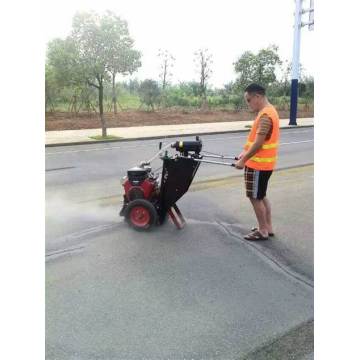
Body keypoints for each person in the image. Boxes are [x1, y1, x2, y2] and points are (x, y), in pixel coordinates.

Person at [235, 83, 280, 241]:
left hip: (257, 165)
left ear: (257, 97)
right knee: (261, 196)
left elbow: (259, 143)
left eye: (249, 100)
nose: (248, 103)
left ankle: (262, 231)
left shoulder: (266, 116)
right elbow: (256, 141)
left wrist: (243, 160)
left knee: (255, 198)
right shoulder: (269, 111)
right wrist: (244, 153)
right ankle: (268, 227)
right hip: (264, 165)